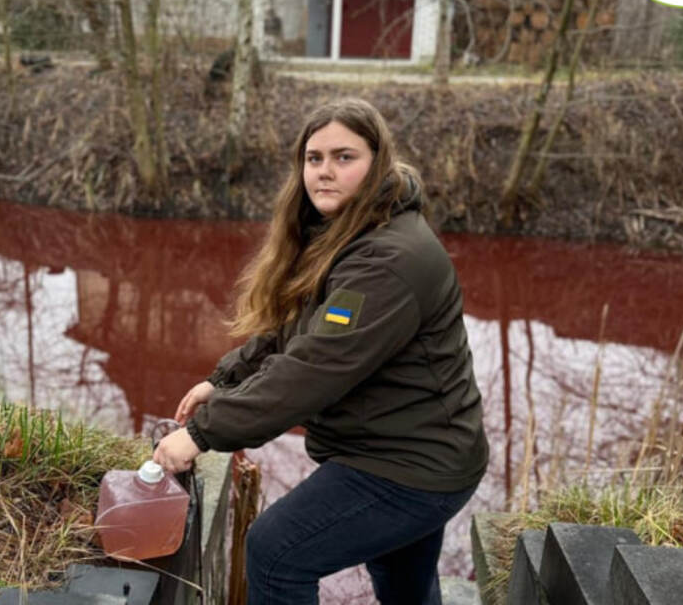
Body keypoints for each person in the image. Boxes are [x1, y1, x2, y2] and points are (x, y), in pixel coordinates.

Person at [153, 99, 488, 605]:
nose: (324, 172)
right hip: (418, 449)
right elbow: (302, 328)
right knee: (404, 584)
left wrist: (203, 434)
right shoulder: (353, 233)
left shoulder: (388, 259)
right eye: (314, 159)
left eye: (344, 157)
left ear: (377, 162)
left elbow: (314, 369)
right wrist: (225, 380)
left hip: (409, 464)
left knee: (276, 552)